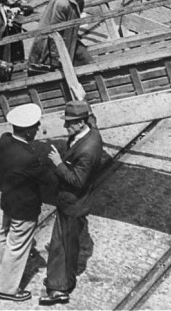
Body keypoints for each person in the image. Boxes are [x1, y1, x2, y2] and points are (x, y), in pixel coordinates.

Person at [39, 100, 105, 306]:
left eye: (69, 123)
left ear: (80, 123)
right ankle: (65, 280)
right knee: (67, 243)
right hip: (74, 203)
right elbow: (92, 117)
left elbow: (77, 181)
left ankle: (59, 290)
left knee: (62, 246)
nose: (66, 127)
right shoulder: (90, 131)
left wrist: (58, 163)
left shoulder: (87, 149)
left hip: (73, 203)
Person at [0, 103, 51, 303]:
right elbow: (46, 178)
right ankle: (8, 289)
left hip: (9, 200)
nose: (37, 129)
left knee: (4, 236)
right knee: (18, 246)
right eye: (35, 126)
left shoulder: (5, 140)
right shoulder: (28, 157)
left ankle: (1, 277)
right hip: (25, 207)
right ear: (27, 131)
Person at [28, 0, 93, 74]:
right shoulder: (62, 3)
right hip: (51, 44)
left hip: (68, 37)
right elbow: (55, 33)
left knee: (86, 60)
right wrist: (57, 59)